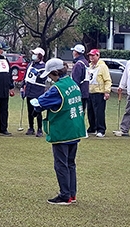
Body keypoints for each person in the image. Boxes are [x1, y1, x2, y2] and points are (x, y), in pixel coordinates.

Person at [30, 58, 87, 205]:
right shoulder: (73, 84)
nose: (49, 78)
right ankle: (72, 194)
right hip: (75, 129)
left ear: (55, 72)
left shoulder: (57, 88)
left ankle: (64, 195)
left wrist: (35, 107)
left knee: (61, 164)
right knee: (70, 163)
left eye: (50, 75)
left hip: (62, 130)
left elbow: (40, 103)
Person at [20, 47, 46, 137]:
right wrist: (22, 87)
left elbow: (44, 78)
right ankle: (31, 127)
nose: (33, 56)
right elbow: (26, 76)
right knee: (30, 110)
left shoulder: (43, 66)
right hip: (29, 89)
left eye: (36, 54)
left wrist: (38, 74)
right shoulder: (30, 64)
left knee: (37, 110)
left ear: (40, 56)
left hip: (38, 90)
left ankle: (39, 129)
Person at [87, 49, 112, 138]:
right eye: (90, 55)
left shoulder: (102, 67)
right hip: (90, 91)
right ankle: (92, 127)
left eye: (93, 55)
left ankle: (101, 129)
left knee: (99, 112)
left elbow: (107, 80)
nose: (91, 57)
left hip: (99, 92)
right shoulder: (90, 66)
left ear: (98, 56)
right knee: (90, 111)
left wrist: (107, 91)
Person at [70, 44, 89, 114]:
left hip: (79, 92)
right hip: (85, 91)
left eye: (74, 51)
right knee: (81, 111)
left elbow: (76, 80)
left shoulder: (78, 64)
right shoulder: (85, 62)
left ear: (76, 52)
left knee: (77, 112)